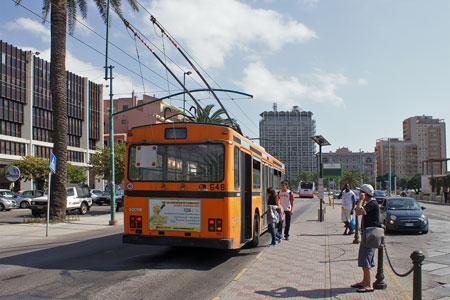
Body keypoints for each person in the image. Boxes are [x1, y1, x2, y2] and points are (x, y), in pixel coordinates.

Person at [351, 183, 380, 293]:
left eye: (360, 192)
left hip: (370, 236)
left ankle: (368, 284)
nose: (358, 194)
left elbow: (358, 212)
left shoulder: (371, 204)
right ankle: (365, 281)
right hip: (367, 235)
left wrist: (361, 200)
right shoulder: (370, 203)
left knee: (365, 258)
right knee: (364, 258)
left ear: (364, 194)